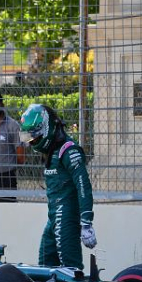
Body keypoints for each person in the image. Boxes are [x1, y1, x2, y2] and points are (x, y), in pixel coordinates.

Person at [19, 103, 96, 271]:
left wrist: (86, 222)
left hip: (66, 214)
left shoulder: (68, 150)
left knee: (70, 268)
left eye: (35, 137)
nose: (32, 142)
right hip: (54, 215)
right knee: (45, 262)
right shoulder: (52, 150)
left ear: (47, 128)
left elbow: (84, 185)